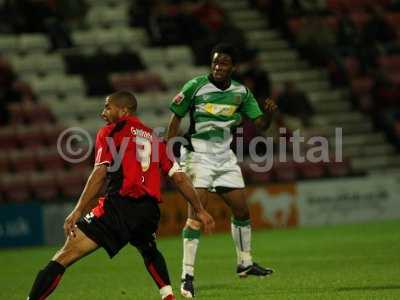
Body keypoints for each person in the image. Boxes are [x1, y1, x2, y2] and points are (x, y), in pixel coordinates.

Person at [27, 90, 215, 300]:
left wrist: (78, 209)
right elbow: (180, 178)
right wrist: (200, 210)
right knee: (149, 249)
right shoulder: (155, 138)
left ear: (124, 110)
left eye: (108, 107)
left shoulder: (111, 132)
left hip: (119, 207)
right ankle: (168, 295)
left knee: (64, 255)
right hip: (148, 212)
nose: (102, 112)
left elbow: (99, 173)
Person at [167, 43, 277, 299]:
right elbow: (175, 119)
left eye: (223, 63)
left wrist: (269, 115)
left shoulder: (241, 93)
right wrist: (167, 153)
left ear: (233, 67)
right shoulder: (195, 86)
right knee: (196, 215)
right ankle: (187, 277)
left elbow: (260, 124)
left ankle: (245, 263)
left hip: (224, 157)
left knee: (241, 209)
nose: (218, 67)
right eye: (215, 62)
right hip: (197, 155)